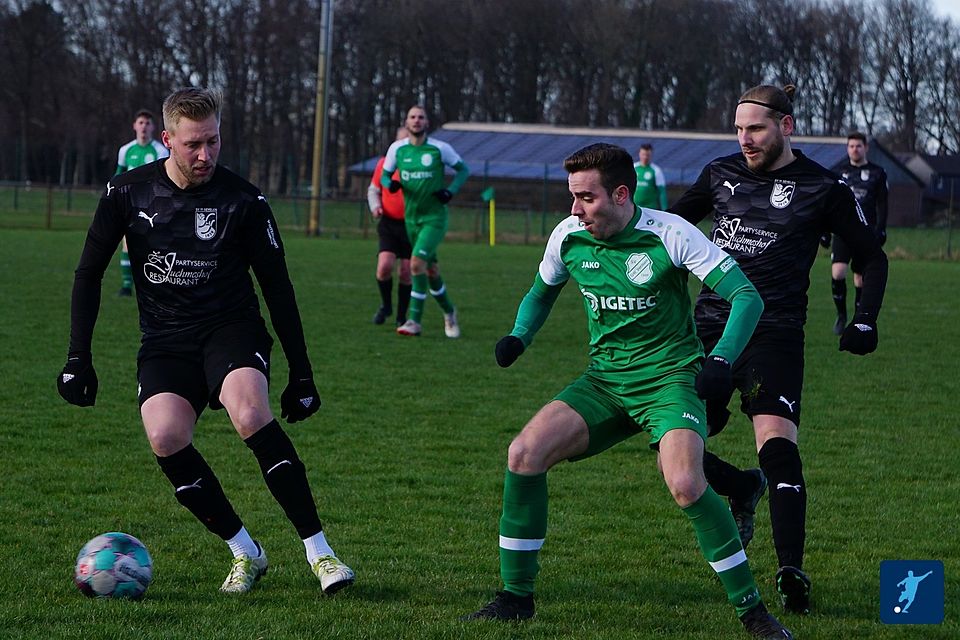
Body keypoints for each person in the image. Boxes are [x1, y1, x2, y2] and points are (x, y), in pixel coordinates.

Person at [463, 143, 793, 639]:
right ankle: (516, 598)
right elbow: (541, 291)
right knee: (523, 454)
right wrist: (519, 336)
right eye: (572, 197)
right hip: (604, 380)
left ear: (620, 194)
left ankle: (754, 614)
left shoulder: (671, 234)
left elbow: (746, 297)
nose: (575, 209)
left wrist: (721, 360)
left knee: (684, 484)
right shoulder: (569, 236)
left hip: (669, 380)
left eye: (586, 198)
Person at [56, 87, 355, 595]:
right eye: (194, 144)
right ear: (167, 140)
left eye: (214, 142)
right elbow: (88, 274)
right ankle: (246, 551)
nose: (205, 155)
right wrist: (77, 359)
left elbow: (278, 288)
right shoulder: (127, 194)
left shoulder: (243, 200)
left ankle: (321, 554)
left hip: (231, 329)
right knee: (166, 436)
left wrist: (302, 372)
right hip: (166, 340)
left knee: (248, 412)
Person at [670, 84, 888, 615]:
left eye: (756, 129)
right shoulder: (720, 175)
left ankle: (792, 568)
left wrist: (865, 320)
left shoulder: (824, 187)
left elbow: (871, 257)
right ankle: (742, 486)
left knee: (777, 444)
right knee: (668, 441)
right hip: (709, 332)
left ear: (786, 126)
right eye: (739, 130)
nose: (745, 140)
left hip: (775, 333)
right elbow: (668, 231)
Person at [381, 105, 469, 338]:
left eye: (421, 117)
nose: (417, 120)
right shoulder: (397, 149)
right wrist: (391, 184)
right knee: (430, 270)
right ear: (407, 122)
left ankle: (414, 321)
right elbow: (384, 175)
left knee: (416, 264)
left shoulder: (440, 149)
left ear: (427, 122)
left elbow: (463, 170)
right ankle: (449, 312)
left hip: (434, 218)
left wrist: (450, 192)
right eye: (412, 117)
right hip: (411, 220)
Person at [825, 132, 888, 335]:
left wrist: (881, 229)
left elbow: (883, 203)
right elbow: (828, 203)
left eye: (858, 146)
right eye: (851, 146)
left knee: (860, 279)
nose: (854, 149)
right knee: (838, 273)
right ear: (847, 148)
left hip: (866, 232)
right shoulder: (838, 173)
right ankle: (841, 315)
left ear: (866, 147)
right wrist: (824, 230)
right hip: (842, 232)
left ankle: (858, 319)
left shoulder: (878, 173)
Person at [368, 127, 412, 326]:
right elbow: (373, 189)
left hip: (412, 224)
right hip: (389, 223)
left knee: (405, 271)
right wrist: (376, 207)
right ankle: (386, 306)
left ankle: (401, 316)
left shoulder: (417, 167)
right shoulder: (384, 164)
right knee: (384, 266)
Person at [633, 142, 668, 209]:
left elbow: (662, 192)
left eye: (647, 155)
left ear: (651, 155)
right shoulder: (633, 168)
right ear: (639, 154)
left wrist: (665, 210)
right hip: (634, 208)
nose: (645, 157)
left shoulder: (656, 170)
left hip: (649, 208)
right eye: (643, 154)